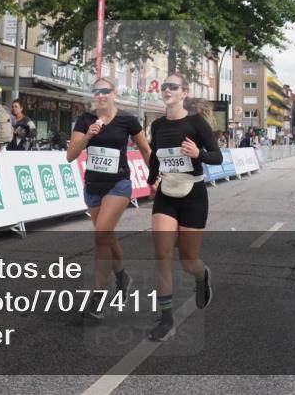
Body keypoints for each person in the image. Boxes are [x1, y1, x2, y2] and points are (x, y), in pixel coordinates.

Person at [146, 75, 223, 342]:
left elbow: (217, 156)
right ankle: (166, 320)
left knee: (188, 260)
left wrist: (197, 154)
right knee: (162, 254)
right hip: (167, 194)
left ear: (183, 93)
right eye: (164, 86)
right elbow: (155, 158)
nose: (167, 90)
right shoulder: (156, 126)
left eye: (173, 87)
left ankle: (202, 276)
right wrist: (150, 181)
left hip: (193, 194)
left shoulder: (195, 123)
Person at [68, 78, 151, 321]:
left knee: (101, 234)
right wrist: (88, 136)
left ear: (114, 93)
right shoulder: (85, 120)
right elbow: (70, 155)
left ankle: (98, 297)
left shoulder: (128, 120)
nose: (101, 95)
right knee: (107, 236)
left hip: (119, 184)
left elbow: (145, 150)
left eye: (105, 91)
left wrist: (156, 177)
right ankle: (123, 277)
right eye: (97, 91)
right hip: (93, 187)